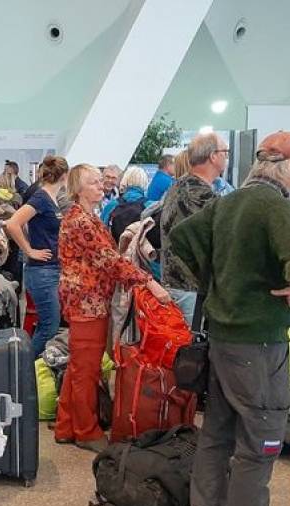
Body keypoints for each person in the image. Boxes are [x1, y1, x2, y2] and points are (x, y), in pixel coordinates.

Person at [170, 131, 290, 506]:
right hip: (258, 341)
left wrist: (217, 284)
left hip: (223, 335)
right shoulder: (275, 204)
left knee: (218, 431)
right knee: (261, 439)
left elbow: (182, 237)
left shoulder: (231, 199)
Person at [57, 163, 169, 452]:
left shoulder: (86, 216)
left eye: (100, 181)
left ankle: (67, 424)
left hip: (88, 301)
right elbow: (111, 261)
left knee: (78, 367)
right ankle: (86, 431)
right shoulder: (81, 221)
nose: (102, 185)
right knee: (86, 370)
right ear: (79, 189)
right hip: (87, 304)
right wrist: (148, 282)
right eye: (94, 182)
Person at [4, 155, 68, 356]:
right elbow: (13, 223)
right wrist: (29, 249)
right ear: (65, 176)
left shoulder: (49, 198)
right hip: (42, 271)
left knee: (49, 323)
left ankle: (29, 367)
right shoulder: (41, 197)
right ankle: (25, 366)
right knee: (49, 325)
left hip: (49, 270)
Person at [160, 133, 227, 324]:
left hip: (179, 284)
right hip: (190, 287)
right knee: (191, 348)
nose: (226, 158)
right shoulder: (200, 194)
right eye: (225, 153)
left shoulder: (181, 185)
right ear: (213, 156)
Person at [101, 166, 149, 240]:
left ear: (124, 181)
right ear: (145, 182)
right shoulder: (151, 206)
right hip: (142, 249)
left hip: (116, 248)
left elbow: (101, 230)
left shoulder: (111, 205)